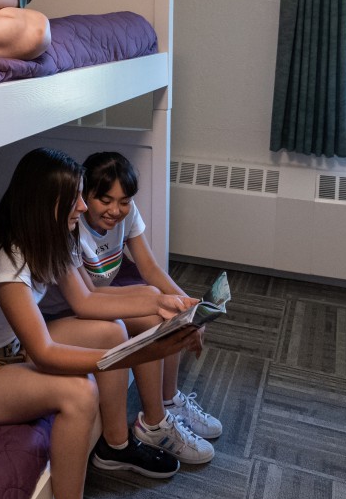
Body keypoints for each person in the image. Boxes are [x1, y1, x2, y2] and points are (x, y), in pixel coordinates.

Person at [0, 148, 200, 499]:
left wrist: (162, 303)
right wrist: (136, 354)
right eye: (75, 197)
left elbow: (87, 301)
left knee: (111, 331)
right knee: (79, 392)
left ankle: (114, 446)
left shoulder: (51, 237)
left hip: (10, 348)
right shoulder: (6, 258)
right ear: (46, 202)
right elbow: (44, 353)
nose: (82, 205)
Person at [41, 151, 223, 462]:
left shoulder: (126, 214)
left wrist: (190, 306)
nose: (116, 210)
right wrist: (153, 299)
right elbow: (85, 300)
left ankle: (164, 407)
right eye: (105, 200)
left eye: (124, 201)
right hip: (65, 312)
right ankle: (155, 422)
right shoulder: (70, 226)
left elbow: (149, 268)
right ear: (85, 196)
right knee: (147, 309)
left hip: (92, 300)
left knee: (162, 312)